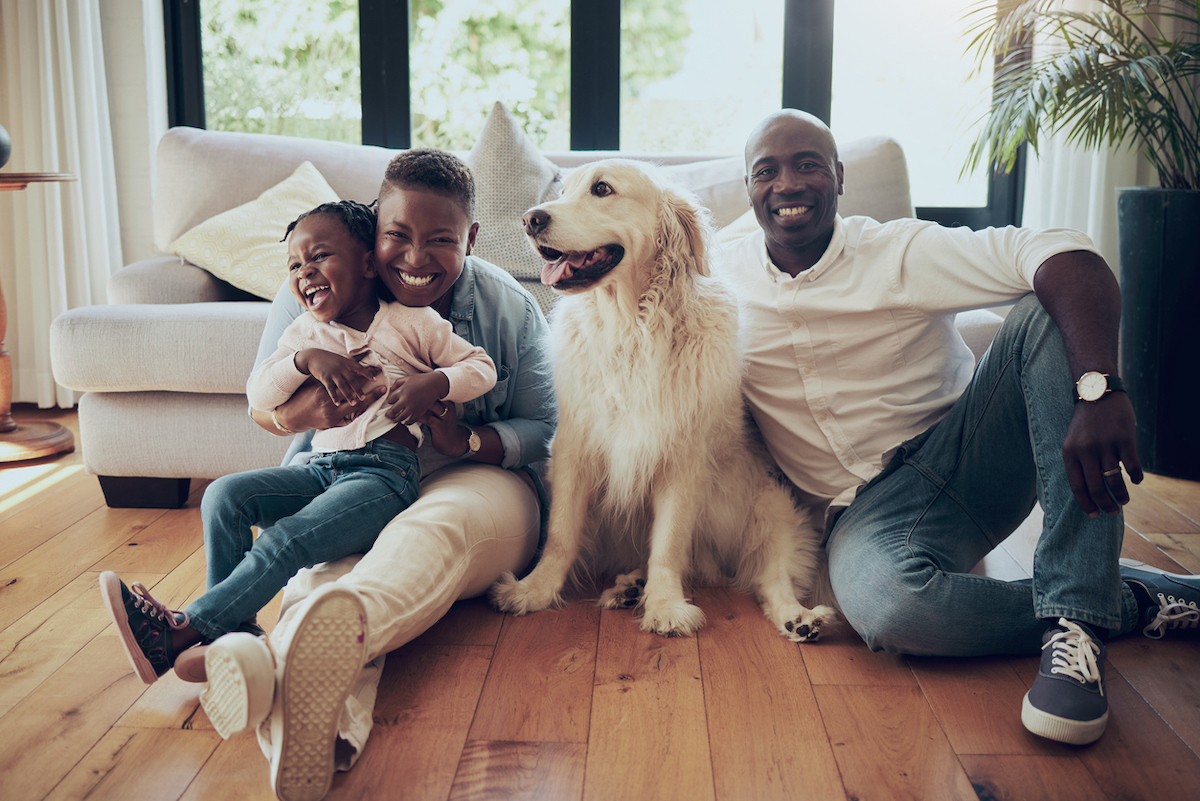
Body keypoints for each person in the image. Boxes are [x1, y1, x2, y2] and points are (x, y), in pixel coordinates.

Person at [722, 108, 1200, 746]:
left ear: (838, 177)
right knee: (893, 611)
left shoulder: (900, 250)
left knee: (1043, 308)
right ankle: (1130, 598)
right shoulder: (720, 269)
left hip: (971, 455)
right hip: (864, 511)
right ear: (747, 188)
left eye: (807, 165)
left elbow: (1059, 249)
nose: (787, 184)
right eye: (767, 171)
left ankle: (1078, 631)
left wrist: (1099, 388)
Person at [177, 150, 555, 801]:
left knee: (428, 531)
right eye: (398, 236)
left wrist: (464, 436)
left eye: (441, 241)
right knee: (320, 564)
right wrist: (310, 403)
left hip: (475, 474)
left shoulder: (508, 307)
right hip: (347, 470)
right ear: (374, 230)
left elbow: (542, 427)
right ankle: (298, 712)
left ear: (469, 239)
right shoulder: (315, 292)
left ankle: (278, 665)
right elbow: (263, 407)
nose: (415, 258)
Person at [98, 199, 498, 688]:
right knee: (225, 495)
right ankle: (229, 640)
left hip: (383, 477)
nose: (305, 272)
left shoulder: (410, 323)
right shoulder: (304, 333)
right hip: (318, 467)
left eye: (319, 257)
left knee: (285, 539)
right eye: (294, 264)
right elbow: (260, 393)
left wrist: (434, 384)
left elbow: (481, 367)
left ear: (369, 264)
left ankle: (187, 629)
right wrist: (306, 360)